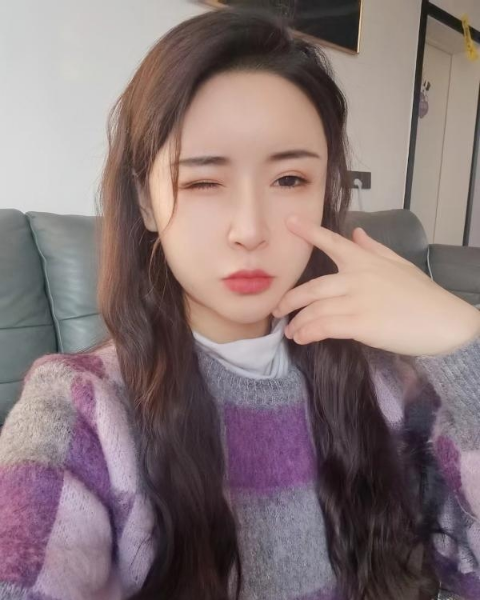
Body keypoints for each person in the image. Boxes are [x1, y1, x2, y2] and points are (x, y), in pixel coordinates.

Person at [0, 7, 479, 600]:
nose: (250, 230)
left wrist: (464, 339)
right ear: (146, 203)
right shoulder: (81, 413)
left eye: (290, 180)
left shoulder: (384, 385)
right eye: (203, 182)